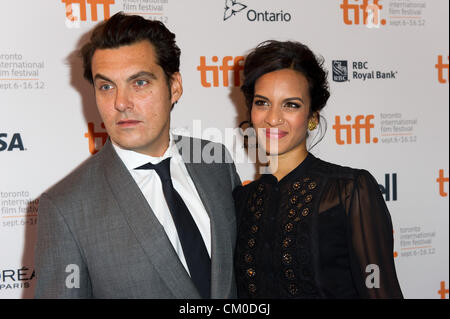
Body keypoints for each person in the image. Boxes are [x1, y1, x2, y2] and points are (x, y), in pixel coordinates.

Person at [34, 12, 240, 299]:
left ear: (175, 87)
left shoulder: (215, 161)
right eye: (106, 87)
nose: (120, 103)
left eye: (139, 83)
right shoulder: (67, 208)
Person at [233, 40, 403, 299]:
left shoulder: (349, 191)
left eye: (291, 104)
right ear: (251, 111)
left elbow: (381, 290)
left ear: (313, 115)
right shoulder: (242, 201)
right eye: (262, 102)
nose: (273, 117)